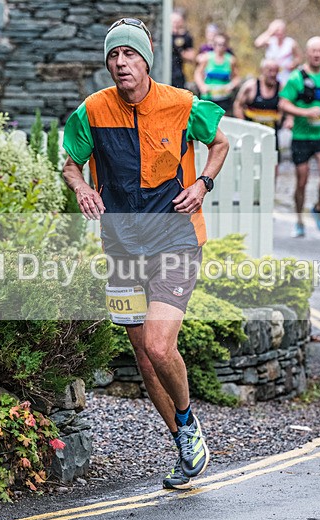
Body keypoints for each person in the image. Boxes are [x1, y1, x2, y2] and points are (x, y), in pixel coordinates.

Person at [61, 17, 230, 489]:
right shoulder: (92, 110)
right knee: (142, 354)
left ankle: (189, 421)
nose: (120, 63)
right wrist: (80, 188)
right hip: (120, 248)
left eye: (129, 54)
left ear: (146, 59)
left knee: (159, 344)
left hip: (175, 238)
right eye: (113, 56)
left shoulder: (181, 104)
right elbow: (71, 164)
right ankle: (182, 441)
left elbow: (220, 142)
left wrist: (203, 182)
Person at [279, 36, 320, 237]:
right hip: (301, 136)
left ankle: (318, 206)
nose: (317, 55)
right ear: (307, 53)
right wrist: (304, 113)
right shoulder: (296, 77)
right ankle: (299, 220)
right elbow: (283, 103)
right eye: (313, 51)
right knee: (302, 181)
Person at [233, 59, 282, 177]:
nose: (273, 74)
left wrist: (288, 119)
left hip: (272, 133)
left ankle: (271, 192)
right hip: (252, 133)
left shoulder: (281, 88)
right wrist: (243, 123)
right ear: (262, 71)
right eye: (269, 71)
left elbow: (287, 104)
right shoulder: (251, 87)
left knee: (273, 165)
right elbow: (238, 105)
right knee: (251, 163)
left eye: (275, 71)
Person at [195, 33, 239, 114]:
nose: (220, 47)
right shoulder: (206, 58)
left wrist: (231, 85)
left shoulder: (230, 60)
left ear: (226, 46)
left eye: (223, 45)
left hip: (224, 98)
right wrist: (202, 86)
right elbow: (197, 73)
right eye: (218, 44)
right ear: (214, 45)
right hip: (208, 96)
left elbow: (236, 77)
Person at [253, 19, 303, 87]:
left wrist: (293, 64)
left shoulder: (290, 43)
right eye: (277, 30)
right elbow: (257, 44)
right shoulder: (270, 41)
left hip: (285, 74)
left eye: (281, 30)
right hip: (269, 75)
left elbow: (299, 57)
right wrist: (269, 32)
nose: (279, 32)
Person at [171, 10, 196, 90]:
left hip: (177, 74)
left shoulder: (186, 37)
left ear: (182, 21)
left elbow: (192, 57)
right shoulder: (164, 35)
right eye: (173, 21)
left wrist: (180, 51)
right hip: (162, 71)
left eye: (177, 21)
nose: (175, 23)